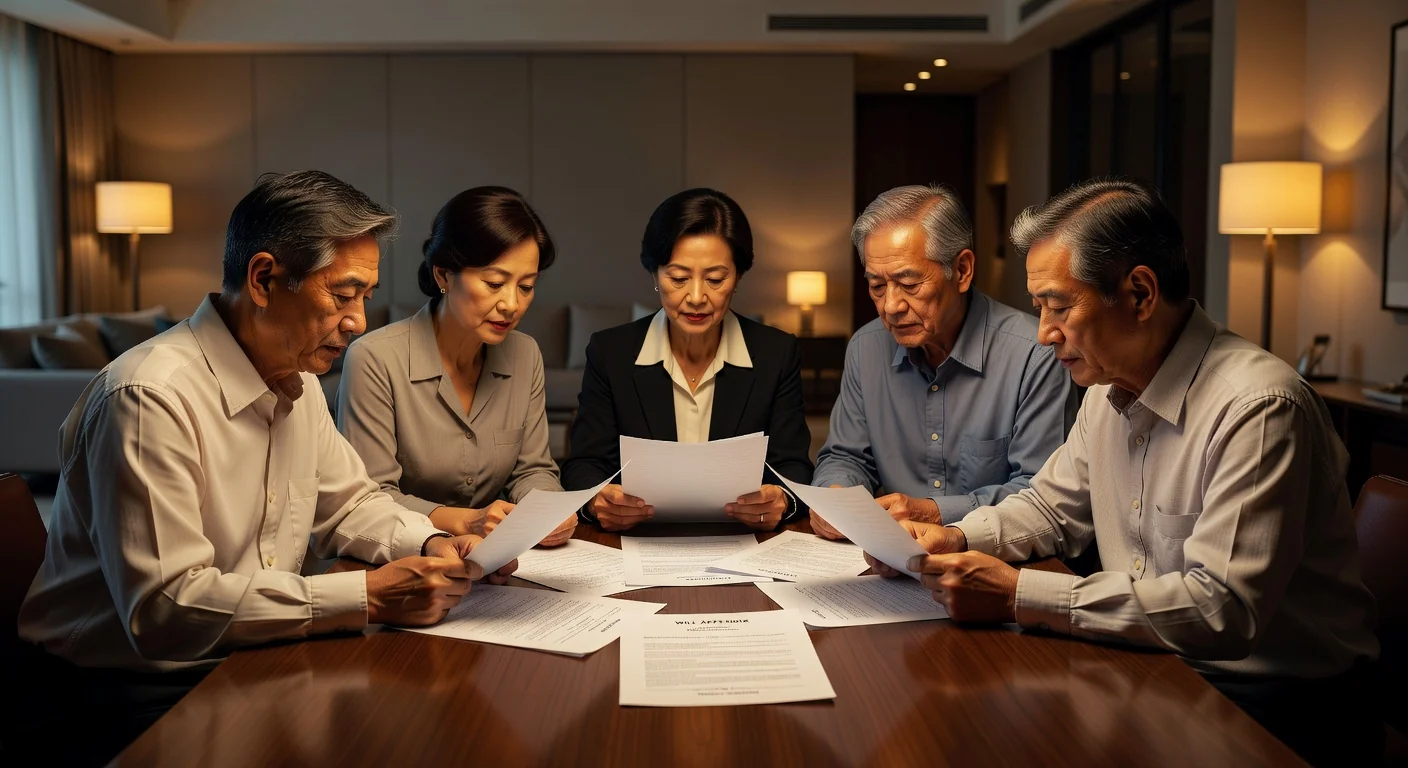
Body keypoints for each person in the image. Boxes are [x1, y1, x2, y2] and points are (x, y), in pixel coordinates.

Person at [867, 177, 1381, 766]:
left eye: (1059, 306)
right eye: (1038, 308)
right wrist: (954, 536)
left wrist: (1018, 594)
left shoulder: (1258, 408)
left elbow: (1220, 611)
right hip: (1155, 668)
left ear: (1139, 294)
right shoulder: (1106, 386)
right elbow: (1048, 508)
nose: (1043, 333)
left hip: (1277, 705)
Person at [13, 170, 515, 766]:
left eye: (366, 295)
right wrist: (369, 596)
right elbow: (166, 609)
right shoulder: (150, 397)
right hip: (119, 696)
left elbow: (351, 505)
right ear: (263, 278)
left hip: (243, 657)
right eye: (344, 294)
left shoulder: (295, 380)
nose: (359, 321)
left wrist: (434, 538)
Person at [811, 184, 1073, 538]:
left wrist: (935, 513)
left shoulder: (1034, 352)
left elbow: (1040, 494)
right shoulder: (866, 347)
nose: (891, 305)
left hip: (994, 561)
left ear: (962, 270)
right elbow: (845, 456)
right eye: (876, 286)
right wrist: (836, 495)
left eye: (909, 283)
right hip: (885, 559)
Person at [560, 188, 813, 531]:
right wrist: (596, 502)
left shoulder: (776, 353)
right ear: (654, 275)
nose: (696, 297)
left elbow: (794, 468)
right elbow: (584, 465)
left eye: (715, 279)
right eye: (678, 278)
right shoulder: (611, 353)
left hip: (745, 543)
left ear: (738, 277)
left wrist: (782, 500)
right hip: (637, 541)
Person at [338, 187, 573, 547]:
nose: (511, 304)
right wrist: (466, 522)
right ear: (444, 276)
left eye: (526, 287)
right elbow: (371, 498)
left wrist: (545, 508)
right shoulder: (374, 358)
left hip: (499, 561)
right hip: (402, 559)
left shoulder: (526, 354)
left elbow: (534, 470)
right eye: (494, 283)